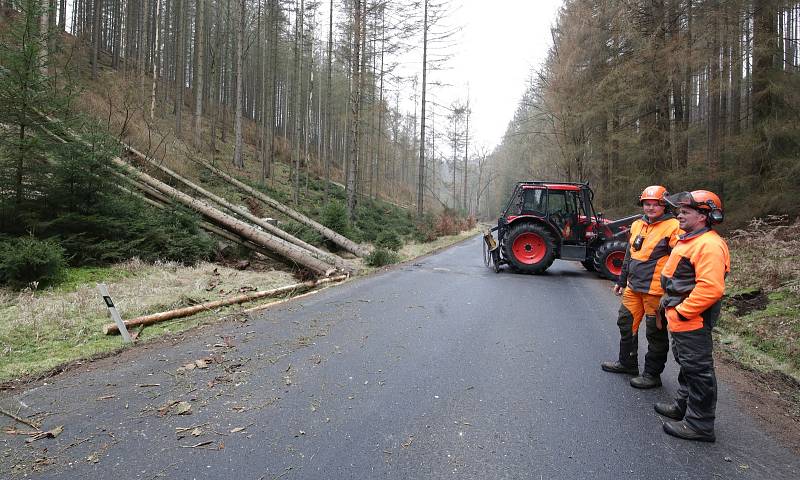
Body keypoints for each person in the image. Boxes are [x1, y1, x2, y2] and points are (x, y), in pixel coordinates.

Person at [654, 190, 730, 442]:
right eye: (679, 211)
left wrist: (684, 312)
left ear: (704, 216)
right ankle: (683, 407)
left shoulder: (709, 245)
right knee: (687, 367)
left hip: (692, 320)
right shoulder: (690, 239)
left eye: (685, 212)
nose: (679, 216)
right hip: (681, 319)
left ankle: (700, 424)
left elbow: (711, 288)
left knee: (698, 371)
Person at [601, 186, 681, 389]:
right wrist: (621, 281)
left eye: (655, 204)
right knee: (625, 323)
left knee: (655, 333)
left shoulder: (674, 226)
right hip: (633, 288)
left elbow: (680, 258)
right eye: (647, 203)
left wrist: (674, 289)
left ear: (664, 205)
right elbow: (629, 254)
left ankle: (652, 375)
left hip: (656, 292)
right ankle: (627, 363)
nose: (651, 207)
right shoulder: (638, 224)